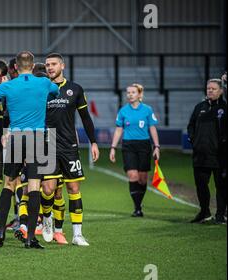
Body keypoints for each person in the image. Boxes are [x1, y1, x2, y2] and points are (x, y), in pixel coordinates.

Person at [0, 51, 60, 249]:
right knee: (33, 187)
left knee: (8, 184)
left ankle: (0, 233)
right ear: (32, 66)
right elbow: (56, 91)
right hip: (37, 138)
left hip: (15, 137)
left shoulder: (7, 85)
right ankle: (31, 237)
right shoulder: (44, 83)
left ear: (15, 67)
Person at [38, 53, 99, 246]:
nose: (50, 67)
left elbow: (85, 117)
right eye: (47, 64)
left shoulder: (75, 89)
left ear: (62, 66)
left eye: (53, 64)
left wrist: (93, 142)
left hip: (69, 144)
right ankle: (47, 219)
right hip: (47, 144)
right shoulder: (41, 88)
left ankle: (77, 234)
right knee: (47, 189)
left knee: (73, 188)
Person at [109, 83, 160, 217]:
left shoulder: (147, 110)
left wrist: (157, 146)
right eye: (128, 92)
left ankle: (139, 202)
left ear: (140, 94)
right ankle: (137, 208)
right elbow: (119, 129)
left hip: (144, 145)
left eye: (133, 92)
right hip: (128, 145)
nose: (130, 95)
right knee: (133, 176)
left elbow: (152, 128)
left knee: (143, 179)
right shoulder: (123, 111)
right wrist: (113, 147)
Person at [187, 78, 227, 224]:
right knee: (201, 185)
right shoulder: (199, 107)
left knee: (221, 186)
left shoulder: (224, 107)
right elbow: (190, 125)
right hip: (200, 155)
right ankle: (204, 212)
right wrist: (193, 139)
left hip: (219, 156)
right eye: (208, 88)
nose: (210, 90)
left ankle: (221, 214)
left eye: (213, 88)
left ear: (221, 91)